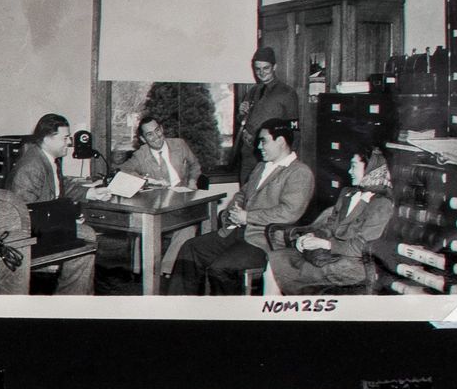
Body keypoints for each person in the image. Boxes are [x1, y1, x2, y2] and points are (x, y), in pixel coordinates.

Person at [168, 118, 315, 295]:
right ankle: (179, 305)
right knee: (190, 248)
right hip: (237, 232)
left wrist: (247, 217)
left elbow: (289, 212)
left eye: (263, 141)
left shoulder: (299, 172)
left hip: (265, 241)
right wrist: (233, 212)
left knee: (220, 268)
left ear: (281, 141)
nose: (259, 146)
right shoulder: (261, 167)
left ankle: (231, 311)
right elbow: (242, 194)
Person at [269, 143, 397, 294]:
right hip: (331, 256)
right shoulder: (347, 193)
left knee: (288, 270)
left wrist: (325, 244)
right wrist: (311, 235)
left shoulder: (381, 204)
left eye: (354, 166)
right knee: (274, 260)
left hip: (355, 264)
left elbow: (362, 246)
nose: (349, 171)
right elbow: (330, 227)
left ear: (370, 169)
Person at [5, 114, 98, 296]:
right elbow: (24, 213)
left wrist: (91, 192)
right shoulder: (31, 166)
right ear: (48, 139)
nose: (69, 143)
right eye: (65, 138)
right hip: (30, 235)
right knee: (87, 236)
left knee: (86, 235)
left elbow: (60, 185)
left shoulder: (46, 158)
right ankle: (71, 297)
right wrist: (65, 221)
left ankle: (76, 297)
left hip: (43, 227)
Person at [234, 45, 302, 142]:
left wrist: (291, 149)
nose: (261, 72)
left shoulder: (287, 92)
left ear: (274, 67)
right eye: (258, 69)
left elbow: (294, 127)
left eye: (266, 68)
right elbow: (243, 120)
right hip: (248, 147)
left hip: (272, 147)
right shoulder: (253, 91)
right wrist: (241, 113)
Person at [118, 114, 201, 188]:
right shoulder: (140, 155)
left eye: (157, 130)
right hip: (158, 198)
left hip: (183, 193)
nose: (156, 136)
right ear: (143, 139)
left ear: (161, 129)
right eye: (149, 134)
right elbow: (123, 170)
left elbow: (194, 165)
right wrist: (148, 181)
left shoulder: (179, 144)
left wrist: (192, 181)